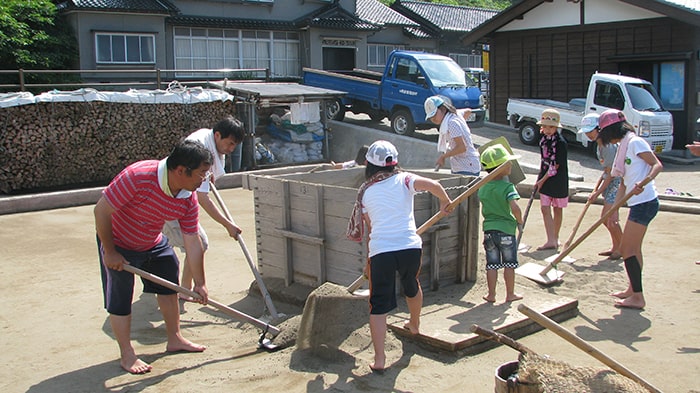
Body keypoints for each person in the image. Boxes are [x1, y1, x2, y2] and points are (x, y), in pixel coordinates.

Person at [94, 139, 213, 374]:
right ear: (181, 170)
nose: (203, 180)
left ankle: (175, 338)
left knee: (169, 282)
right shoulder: (138, 177)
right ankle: (127, 354)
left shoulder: (188, 197)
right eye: (201, 174)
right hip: (119, 244)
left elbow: (192, 240)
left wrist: (200, 283)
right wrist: (110, 251)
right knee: (120, 298)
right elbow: (101, 210)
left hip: (152, 242)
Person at [346, 140, 453, 373]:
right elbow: (434, 185)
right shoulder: (406, 179)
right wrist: (445, 202)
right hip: (409, 247)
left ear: (368, 164)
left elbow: (371, 229)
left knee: (378, 304)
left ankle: (380, 359)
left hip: (381, 251)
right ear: (395, 162)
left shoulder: (365, 192)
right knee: (411, 284)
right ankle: (414, 324)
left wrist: (369, 260)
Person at [162, 116, 244, 301]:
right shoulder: (200, 145)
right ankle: (184, 289)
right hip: (170, 198)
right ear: (217, 135)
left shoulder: (207, 139)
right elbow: (202, 197)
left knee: (167, 241)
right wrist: (227, 224)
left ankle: (183, 288)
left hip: (179, 198)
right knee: (200, 243)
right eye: (230, 143)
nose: (231, 150)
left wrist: (208, 175)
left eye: (234, 145)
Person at [598, 109, 663, 309]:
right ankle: (632, 289)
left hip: (645, 202)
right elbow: (623, 183)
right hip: (637, 203)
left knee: (627, 249)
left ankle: (638, 297)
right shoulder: (622, 147)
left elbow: (657, 164)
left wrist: (645, 181)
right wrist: (614, 209)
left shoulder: (634, 142)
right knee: (634, 250)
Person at [477, 144, 524, 303]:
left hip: (489, 230)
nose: (510, 165)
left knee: (492, 264)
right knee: (509, 263)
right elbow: (515, 208)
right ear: (500, 167)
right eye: (507, 163)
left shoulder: (482, 187)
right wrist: (520, 221)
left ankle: (491, 294)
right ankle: (510, 294)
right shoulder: (508, 187)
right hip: (506, 230)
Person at [579, 113, 623, 259]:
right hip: (609, 180)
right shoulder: (600, 146)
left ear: (599, 129)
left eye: (590, 131)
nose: (588, 134)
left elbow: (611, 173)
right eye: (586, 131)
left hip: (616, 182)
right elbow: (605, 170)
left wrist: (597, 193)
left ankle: (623, 247)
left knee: (609, 218)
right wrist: (598, 187)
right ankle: (616, 246)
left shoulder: (608, 146)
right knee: (607, 219)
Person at [535, 108, 569, 250]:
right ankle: (551, 239)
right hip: (545, 176)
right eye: (546, 126)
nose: (548, 130)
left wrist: (541, 181)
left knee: (557, 209)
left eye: (552, 127)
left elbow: (555, 166)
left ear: (556, 127)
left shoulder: (561, 143)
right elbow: (543, 161)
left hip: (557, 179)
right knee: (544, 208)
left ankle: (555, 238)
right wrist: (540, 177)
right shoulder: (543, 140)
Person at [424, 95, 481, 176]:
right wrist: (462, 126)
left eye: (434, 114)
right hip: (463, 165)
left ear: (443, 109)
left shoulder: (451, 123)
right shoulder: (456, 114)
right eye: (431, 117)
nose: (433, 119)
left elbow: (461, 148)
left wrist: (443, 157)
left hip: (466, 167)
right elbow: (468, 111)